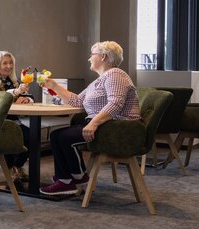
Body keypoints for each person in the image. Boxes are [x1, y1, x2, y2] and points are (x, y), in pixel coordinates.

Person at [40, 41, 140, 196]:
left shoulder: (115, 74)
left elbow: (116, 103)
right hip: (105, 125)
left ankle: (77, 179)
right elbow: (77, 101)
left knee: (65, 138)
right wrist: (53, 85)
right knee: (56, 135)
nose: (89, 59)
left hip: (117, 128)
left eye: (92, 54)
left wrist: (93, 123)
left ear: (104, 57)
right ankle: (67, 180)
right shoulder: (98, 81)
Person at [0, 51, 32, 181]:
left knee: (32, 137)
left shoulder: (11, 80)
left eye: (10, 63)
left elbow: (28, 97)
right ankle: (9, 168)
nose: (9, 66)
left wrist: (25, 99)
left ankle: (17, 165)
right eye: (5, 63)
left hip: (13, 121)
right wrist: (16, 93)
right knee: (13, 136)